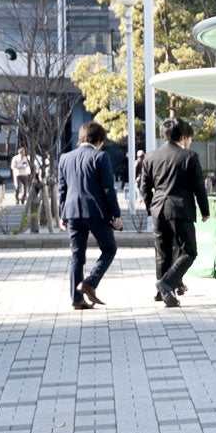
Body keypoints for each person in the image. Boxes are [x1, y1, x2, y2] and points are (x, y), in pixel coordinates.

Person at [139, 118, 209, 308]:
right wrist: (205, 211)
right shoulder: (189, 156)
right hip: (180, 209)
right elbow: (198, 187)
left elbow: (144, 187)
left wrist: (151, 207)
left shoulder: (150, 157)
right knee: (189, 251)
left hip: (158, 210)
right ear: (182, 135)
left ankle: (162, 293)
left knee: (162, 253)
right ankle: (167, 284)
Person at [58, 121, 121, 310]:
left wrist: (62, 215)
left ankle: (76, 299)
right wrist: (116, 214)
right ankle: (90, 282)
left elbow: (62, 189)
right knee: (109, 248)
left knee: (77, 256)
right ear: (99, 140)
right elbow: (108, 188)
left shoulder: (65, 158)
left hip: (72, 212)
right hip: (95, 211)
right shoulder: (100, 157)